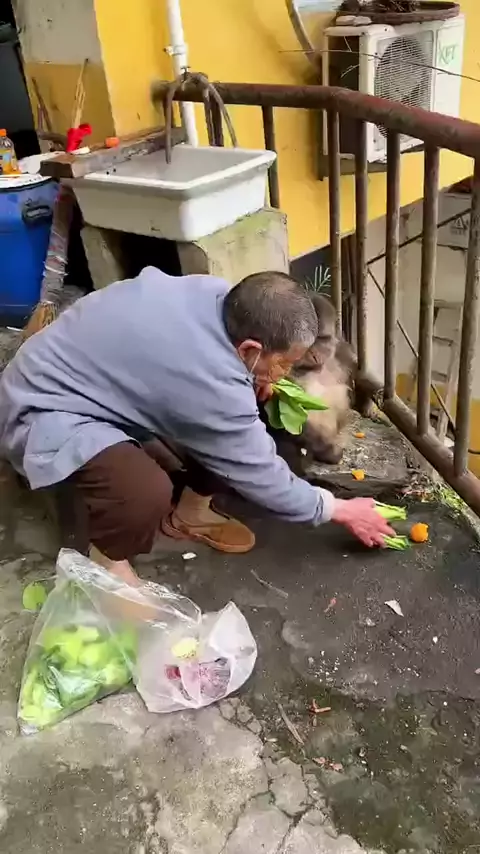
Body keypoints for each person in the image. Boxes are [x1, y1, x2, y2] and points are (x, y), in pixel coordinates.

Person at [0, 268, 393, 584]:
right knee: (143, 491)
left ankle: (191, 513)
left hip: (73, 372)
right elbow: (260, 474)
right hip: (41, 407)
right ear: (251, 349)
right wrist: (339, 509)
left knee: (247, 414)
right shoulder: (211, 384)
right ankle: (108, 563)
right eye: (284, 363)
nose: (285, 373)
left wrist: (258, 375)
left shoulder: (215, 295)